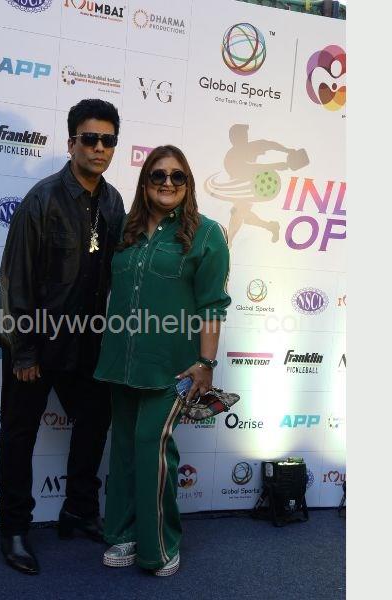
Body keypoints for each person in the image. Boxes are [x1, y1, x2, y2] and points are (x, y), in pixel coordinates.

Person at [0, 99, 126, 576]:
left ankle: (79, 511)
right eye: (90, 138)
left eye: (108, 140)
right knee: (19, 436)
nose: (99, 147)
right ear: (71, 143)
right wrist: (24, 350)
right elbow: (17, 278)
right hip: (36, 341)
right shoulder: (42, 198)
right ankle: (13, 528)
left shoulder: (113, 202)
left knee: (94, 424)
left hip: (87, 341)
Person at [93, 145, 231, 576]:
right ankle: (123, 533)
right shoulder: (125, 230)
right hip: (121, 361)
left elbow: (212, 304)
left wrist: (206, 363)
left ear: (188, 184)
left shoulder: (207, 234)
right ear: (145, 183)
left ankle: (160, 545)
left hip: (174, 368)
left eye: (177, 176)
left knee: (153, 449)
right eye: (158, 175)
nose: (167, 183)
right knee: (124, 450)